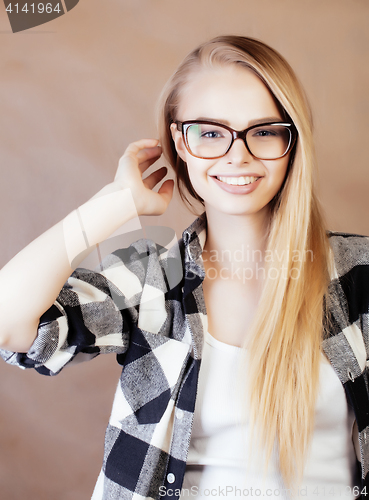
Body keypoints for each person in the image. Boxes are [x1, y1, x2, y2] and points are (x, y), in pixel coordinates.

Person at [0, 35, 368, 500]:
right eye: (211, 132)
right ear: (180, 140)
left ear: (291, 140)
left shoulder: (360, 273)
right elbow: (8, 323)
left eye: (264, 131)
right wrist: (113, 204)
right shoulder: (150, 279)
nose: (239, 155)